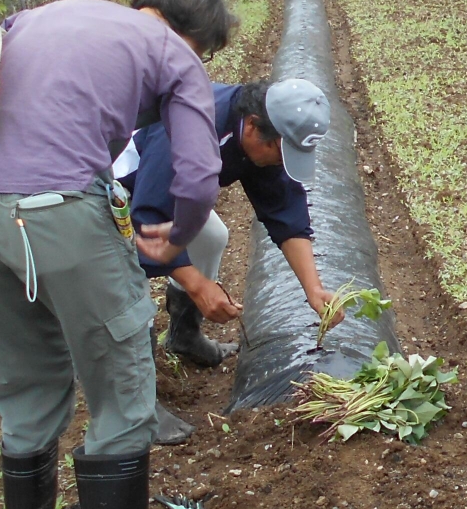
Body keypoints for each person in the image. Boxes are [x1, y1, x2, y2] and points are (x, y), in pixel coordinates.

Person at [0, 0, 227, 509]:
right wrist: (179, 236)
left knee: (25, 369)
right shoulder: (173, 53)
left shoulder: (38, 16)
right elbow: (200, 173)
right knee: (121, 365)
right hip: (57, 215)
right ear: (195, 36)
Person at [118, 78, 335, 373]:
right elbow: (148, 217)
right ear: (253, 128)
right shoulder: (193, 124)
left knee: (211, 237)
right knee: (129, 283)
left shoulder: (259, 135)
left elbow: (284, 209)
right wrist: (198, 286)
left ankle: (184, 336)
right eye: (281, 154)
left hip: (163, 189)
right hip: (110, 188)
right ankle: (139, 399)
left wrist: (314, 289)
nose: (280, 164)